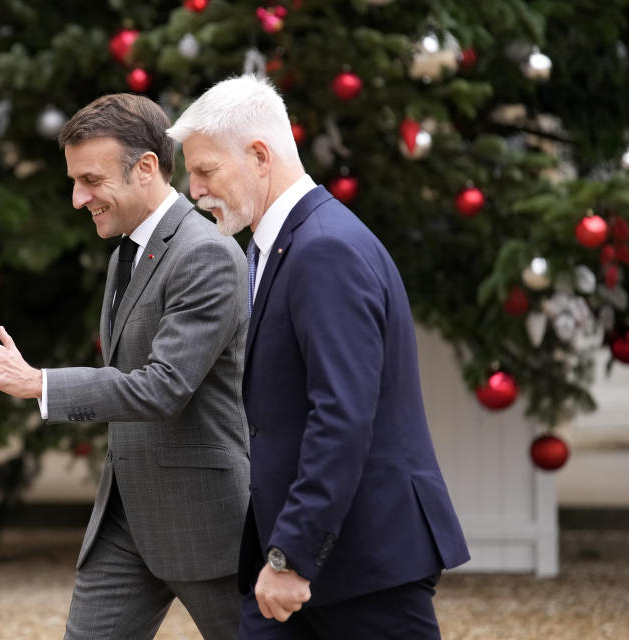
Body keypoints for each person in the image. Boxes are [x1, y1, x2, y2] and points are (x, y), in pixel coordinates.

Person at [167, 75, 471, 639]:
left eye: (205, 170)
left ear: (260, 156)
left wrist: (292, 557)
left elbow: (341, 417)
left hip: (361, 566)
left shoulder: (324, 248)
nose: (193, 189)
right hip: (301, 567)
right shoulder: (288, 244)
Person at [0, 93, 251, 640]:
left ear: (147, 167)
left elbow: (163, 388)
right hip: (124, 518)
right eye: (73, 180)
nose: (77, 198)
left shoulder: (206, 254)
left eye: (90, 180)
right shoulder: (125, 253)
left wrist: (40, 384)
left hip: (204, 521)